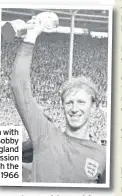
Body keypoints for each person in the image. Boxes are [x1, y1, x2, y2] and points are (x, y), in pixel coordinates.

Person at [10, 15, 106, 183]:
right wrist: (30, 37)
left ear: (94, 107)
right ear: (62, 106)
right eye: (69, 102)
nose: (74, 108)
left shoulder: (103, 156)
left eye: (81, 102)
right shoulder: (45, 135)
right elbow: (19, 86)